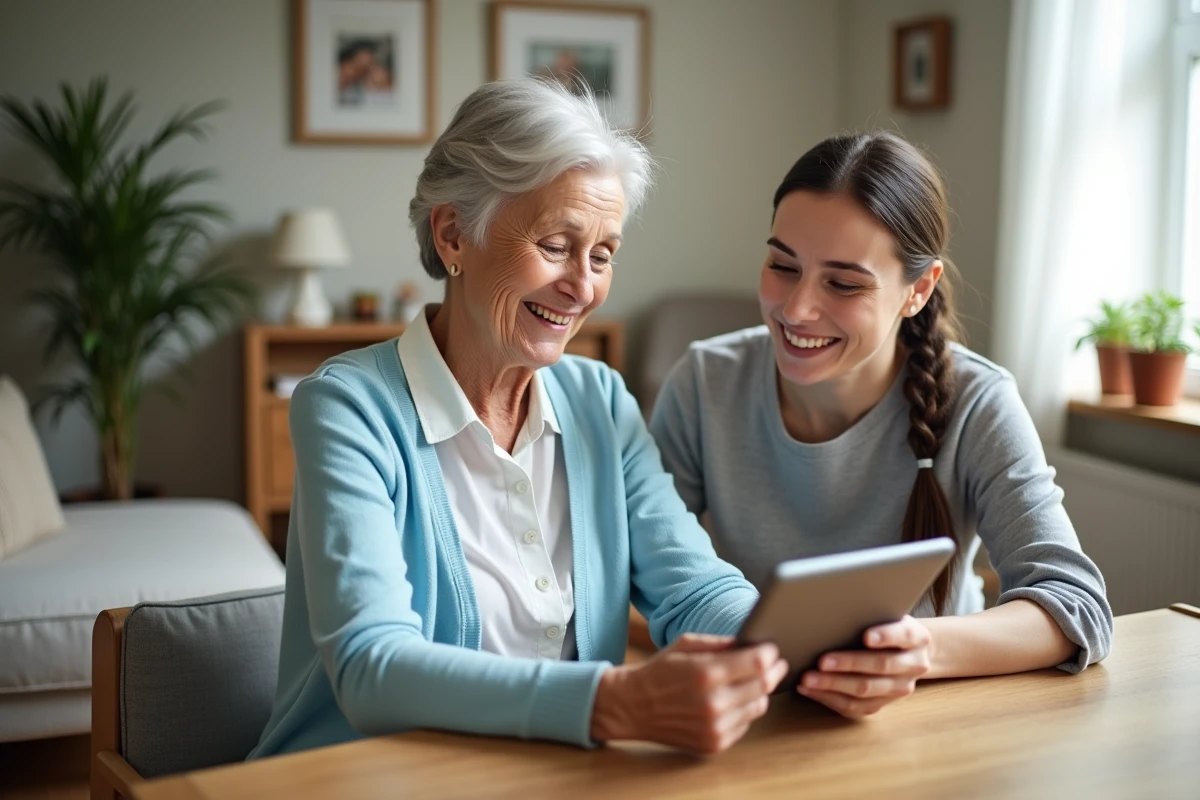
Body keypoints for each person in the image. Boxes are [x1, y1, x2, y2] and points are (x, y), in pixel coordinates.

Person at [249, 79, 786, 761]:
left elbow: (694, 589)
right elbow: (371, 666)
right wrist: (612, 701)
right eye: (557, 244)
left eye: (603, 254)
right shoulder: (349, 408)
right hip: (361, 775)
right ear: (453, 235)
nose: (584, 286)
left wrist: (780, 647)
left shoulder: (600, 401)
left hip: (547, 774)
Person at [649, 132, 1113, 720]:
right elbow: (636, 573)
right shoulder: (705, 382)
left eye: (843, 283)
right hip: (760, 717)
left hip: (928, 721)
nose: (796, 310)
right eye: (781, 265)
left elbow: (1077, 605)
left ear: (917, 290)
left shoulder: (978, 402)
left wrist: (922, 648)